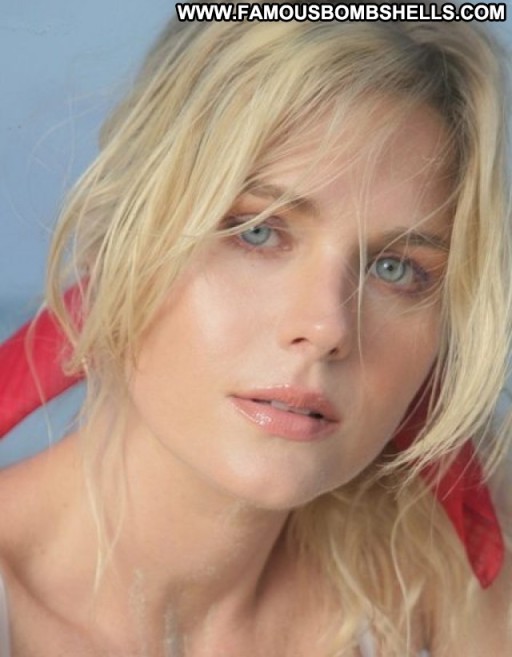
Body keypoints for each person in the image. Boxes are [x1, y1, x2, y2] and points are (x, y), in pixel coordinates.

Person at [0, 2, 511, 655]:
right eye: (258, 231)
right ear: (119, 241)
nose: (326, 327)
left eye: (395, 268)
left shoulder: (441, 582)